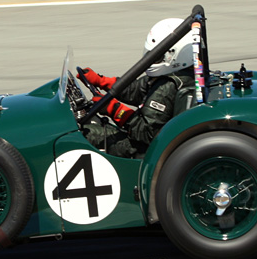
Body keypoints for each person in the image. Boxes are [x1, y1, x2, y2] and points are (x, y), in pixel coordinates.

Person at [79, 18, 198, 158]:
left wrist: (115, 110)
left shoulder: (167, 87)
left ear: (175, 56)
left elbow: (146, 133)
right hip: (153, 145)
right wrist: (102, 81)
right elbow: (136, 89)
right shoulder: (179, 75)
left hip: (144, 150)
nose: (151, 60)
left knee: (84, 134)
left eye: (157, 56)